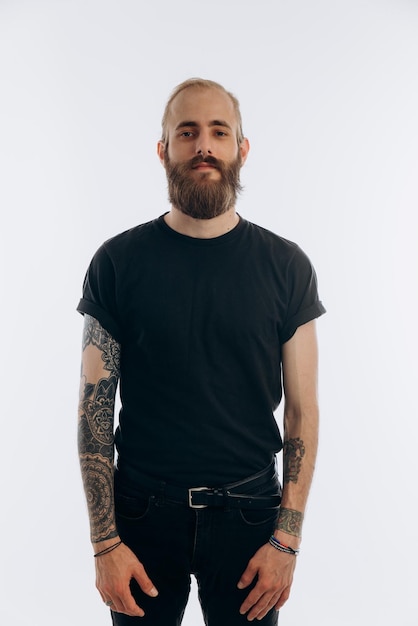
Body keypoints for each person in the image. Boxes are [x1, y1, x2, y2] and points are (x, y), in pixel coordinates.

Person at [77, 77, 325, 626]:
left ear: (242, 148)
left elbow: (303, 413)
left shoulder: (287, 267)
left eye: (219, 131)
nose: (203, 145)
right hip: (141, 516)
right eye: (187, 132)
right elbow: (94, 412)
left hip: (250, 517)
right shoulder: (117, 263)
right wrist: (104, 544)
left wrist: (286, 542)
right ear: (164, 149)